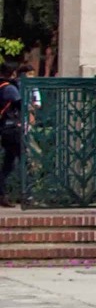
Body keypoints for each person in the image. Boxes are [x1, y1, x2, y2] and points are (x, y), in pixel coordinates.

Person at [0, 63, 23, 206]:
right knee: (26, 161)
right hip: (12, 129)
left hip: (3, 128)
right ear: (13, 73)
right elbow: (21, 105)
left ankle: (2, 194)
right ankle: (30, 194)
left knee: (8, 162)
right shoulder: (9, 88)